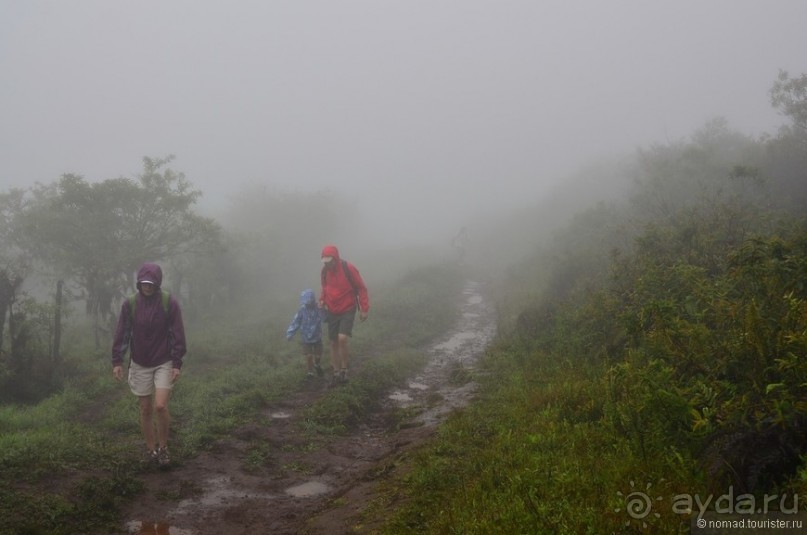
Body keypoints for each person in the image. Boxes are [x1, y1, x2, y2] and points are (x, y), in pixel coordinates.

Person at [112, 262, 186, 467]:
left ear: (157, 283)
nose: (147, 286)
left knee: (160, 406)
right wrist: (117, 360)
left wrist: (177, 363)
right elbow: (123, 333)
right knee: (145, 409)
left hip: (164, 360)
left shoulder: (168, 302)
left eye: (150, 283)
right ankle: (151, 449)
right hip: (139, 362)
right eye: (143, 283)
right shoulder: (130, 304)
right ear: (139, 283)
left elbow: (177, 333)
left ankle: (163, 449)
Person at [319, 245, 369, 383]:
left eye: (329, 261)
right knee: (333, 342)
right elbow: (325, 288)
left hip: (348, 307)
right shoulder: (324, 272)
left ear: (335, 258)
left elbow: (361, 288)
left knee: (342, 338)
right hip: (332, 310)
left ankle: (344, 370)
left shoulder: (348, 268)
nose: (327, 263)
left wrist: (364, 309)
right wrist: (322, 300)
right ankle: (336, 372)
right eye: (325, 261)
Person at [286, 288, 325, 379]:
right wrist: (290, 333)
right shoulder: (302, 310)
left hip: (317, 336)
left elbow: (324, 318)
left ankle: (317, 364)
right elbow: (295, 322)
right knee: (309, 355)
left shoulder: (318, 308)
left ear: (313, 301)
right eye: (306, 303)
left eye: (309, 302)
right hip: (306, 338)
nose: (307, 304)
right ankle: (310, 372)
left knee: (318, 355)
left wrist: (322, 308)